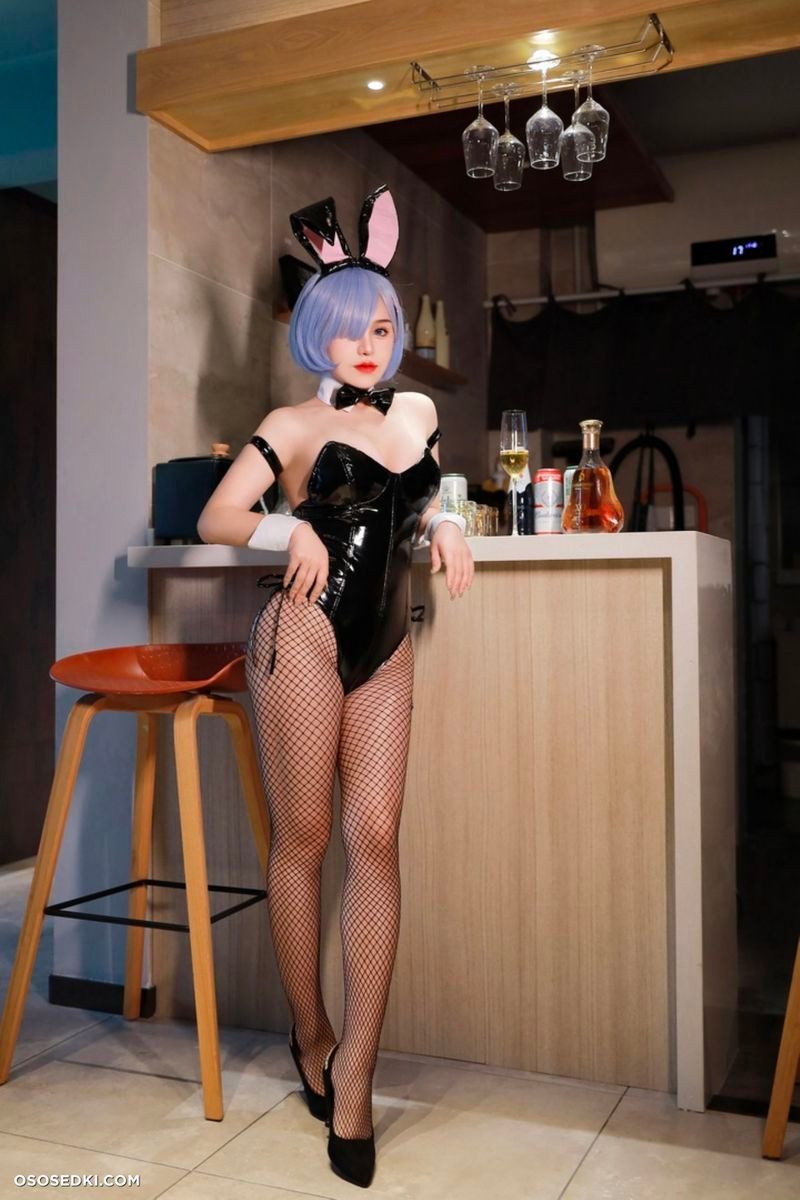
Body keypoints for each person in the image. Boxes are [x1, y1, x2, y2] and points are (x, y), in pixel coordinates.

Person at [197, 184, 474, 1188]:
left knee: (377, 840)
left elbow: (427, 493)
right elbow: (217, 517)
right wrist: (287, 528)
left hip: (385, 644)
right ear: (318, 330)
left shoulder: (419, 410)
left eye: (382, 327)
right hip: (303, 634)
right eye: (350, 327)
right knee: (305, 841)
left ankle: (355, 1073)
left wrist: (449, 523)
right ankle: (310, 1035)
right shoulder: (290, 422)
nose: (367, 344)